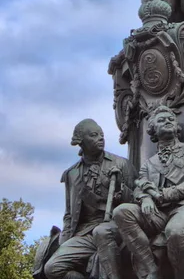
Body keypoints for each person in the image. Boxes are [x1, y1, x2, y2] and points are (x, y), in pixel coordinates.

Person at [113, 105, 184, 279]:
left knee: (175, 231)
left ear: (177, 127)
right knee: (121, 212)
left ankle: (180, 276)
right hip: (159, 212)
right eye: (161, 120)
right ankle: (151, 268)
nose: (167, 121)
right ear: (153, 130)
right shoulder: (149, 164)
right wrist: (145, 198)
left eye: (171, 119)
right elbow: (139, 188)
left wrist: (164, 194)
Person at [44, 119, 136, 279]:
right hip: (84, 233)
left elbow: (137, 200)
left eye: (102, 135)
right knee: (52, 268)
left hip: (116, 226)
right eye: (94, 135)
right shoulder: (71, 174)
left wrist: (121, 186)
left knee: (103, 244)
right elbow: (69, 214)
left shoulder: (122, 164)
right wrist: (64, 241)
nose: (101, 138)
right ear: (80, 141)